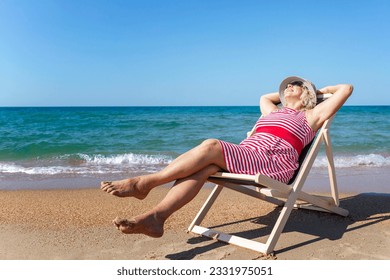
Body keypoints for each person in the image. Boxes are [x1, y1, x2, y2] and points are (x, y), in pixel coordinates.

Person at [100, 76, 353, 238]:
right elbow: (265, 97)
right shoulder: (271, 111)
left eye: (294, 85)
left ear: (306, 93)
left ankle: (146, 183)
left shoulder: (311, 117)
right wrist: (292, 92)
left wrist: (318, 92)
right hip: (248, 155)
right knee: (205, 167)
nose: (287, 86)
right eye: (286, 85)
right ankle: (157, 217)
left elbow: (346, 88)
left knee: (211, 145)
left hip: (272, 165)